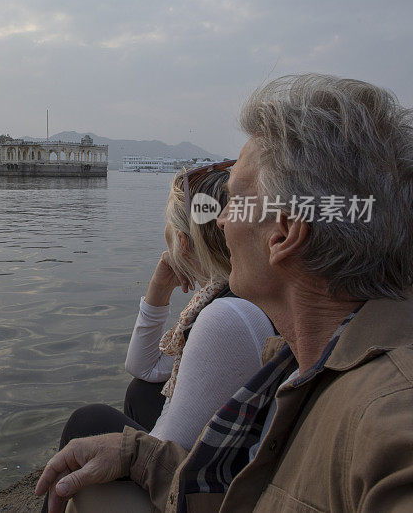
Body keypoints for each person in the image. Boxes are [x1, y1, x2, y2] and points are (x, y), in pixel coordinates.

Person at [35, 73, 413, 512]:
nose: (221, 222)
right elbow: (256, 483)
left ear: (284, 234)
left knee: (89, 428)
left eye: (234, 202)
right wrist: (137, 456)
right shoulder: (304, 358)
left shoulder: (387, 418)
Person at [42, 165, 276, 512]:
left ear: (183, 240)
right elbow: (142, 367)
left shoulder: (225, 317)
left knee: (86, 422)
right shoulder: (232, 298)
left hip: (193, 488)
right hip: (228, 462)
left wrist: (122, 453)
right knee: (142, 391)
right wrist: (158, 290)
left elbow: (164, 450)